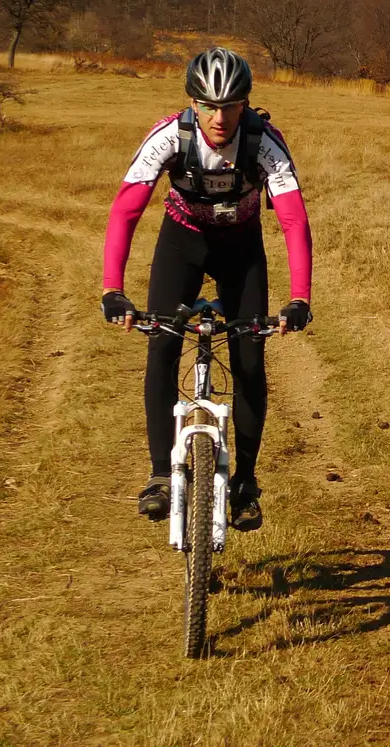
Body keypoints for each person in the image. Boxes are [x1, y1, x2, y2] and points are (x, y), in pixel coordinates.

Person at [99, 47, 313, 532]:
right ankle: (159, 475)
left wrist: (300, 298)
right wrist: (113, 288)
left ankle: (245, 484)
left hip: (242, 250)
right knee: (162, 347)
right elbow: (125, 210)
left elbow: (294, 220)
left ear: (245, 104)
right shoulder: (170, 137)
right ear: (193, 104)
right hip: (183, 243)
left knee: (250, 358)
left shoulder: (264, 143)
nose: (220, 117)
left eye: (231, 105)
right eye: (210, 105)